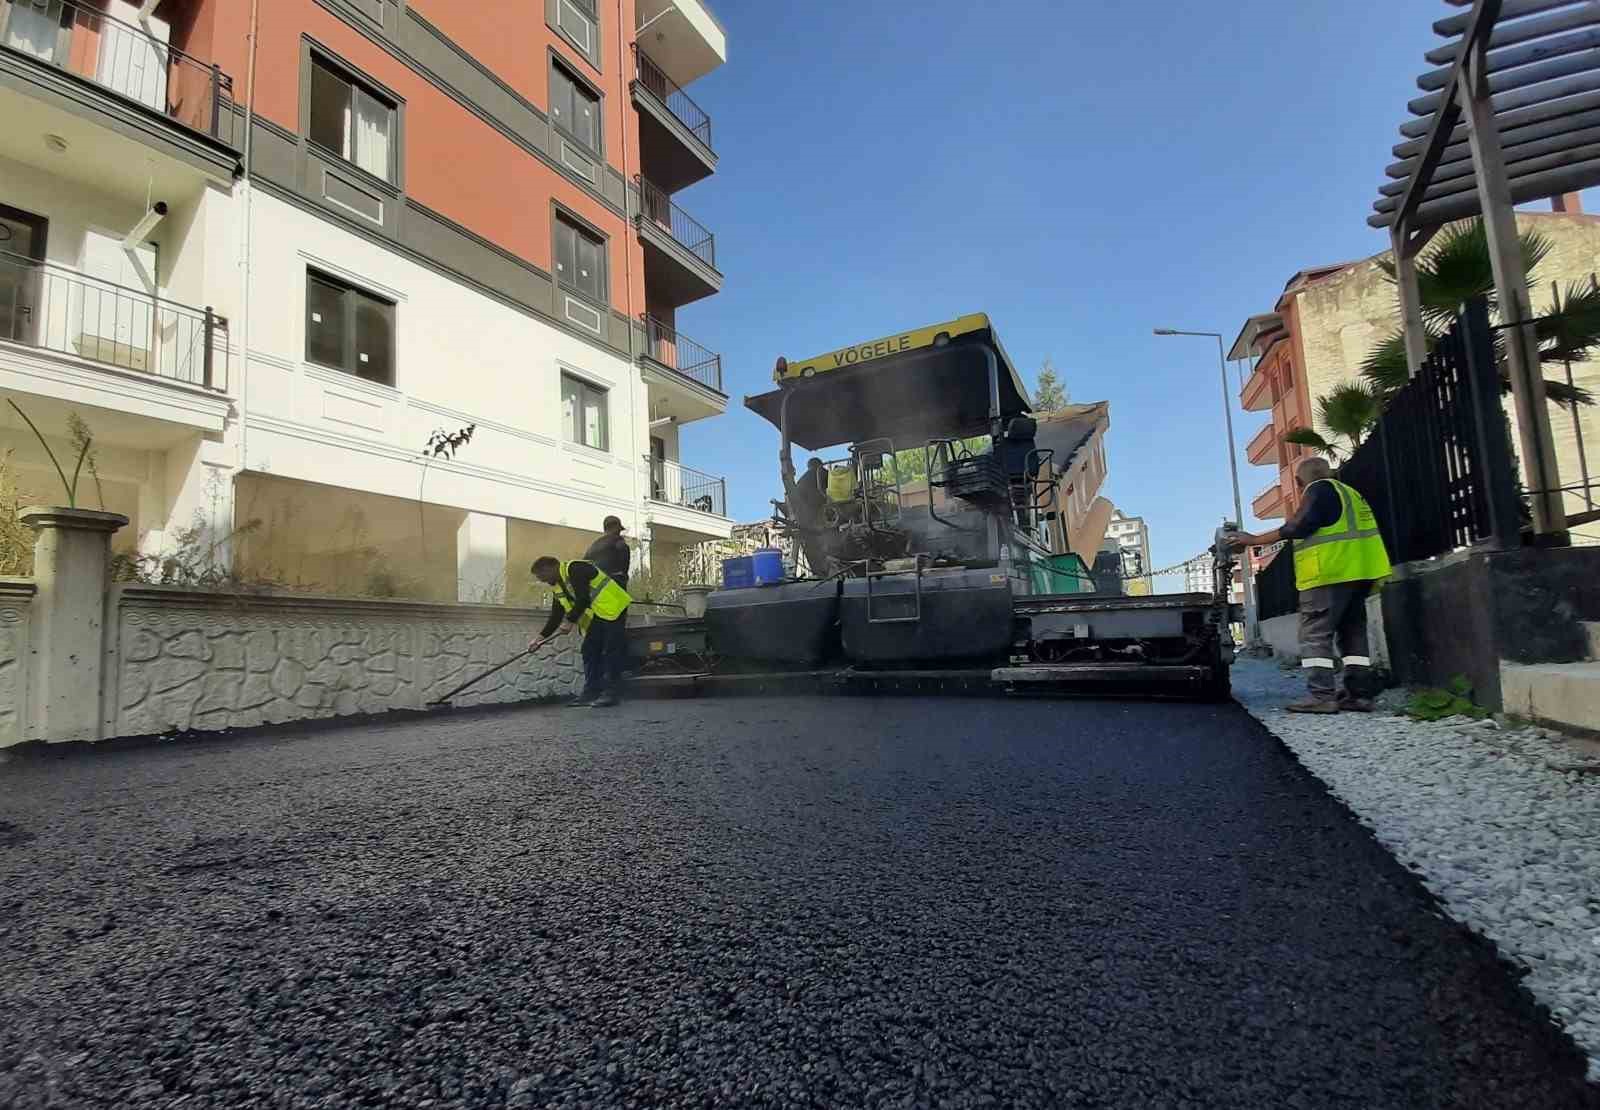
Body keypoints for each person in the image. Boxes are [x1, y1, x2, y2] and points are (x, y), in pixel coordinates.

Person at [1223, 455, 1392, 714]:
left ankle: (1322, 696)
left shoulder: (1318, 490)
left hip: (1330, 571)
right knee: (1353, 633)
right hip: (1362, 571)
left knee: (1314, 634)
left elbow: (1298, 526)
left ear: (1299, 482)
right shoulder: (1350, 493)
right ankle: (1359, 695)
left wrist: (1253, 539)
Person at [528, 554, 632, 708]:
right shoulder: (558, 586)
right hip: (600, 612)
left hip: (614, 605)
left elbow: (583, 598)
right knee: (589, 649)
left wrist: (570, 621)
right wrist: (540, 638)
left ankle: (611, 693)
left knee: (611, 649)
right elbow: (556, 615)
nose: (541, 580)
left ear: (550, 568)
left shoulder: (575, 569)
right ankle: (591, 692)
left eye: (541, 576)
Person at [584, 515, 631, 590]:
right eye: (619, 529)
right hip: (614, 591)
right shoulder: (619, 543)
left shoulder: (592, 547)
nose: (619, 532)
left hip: (596, 593)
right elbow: (623, 571)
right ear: (615, 527)